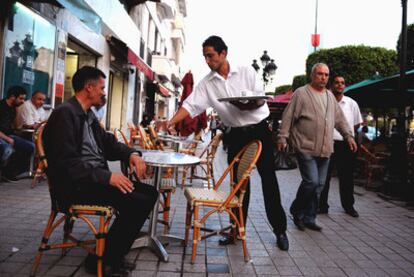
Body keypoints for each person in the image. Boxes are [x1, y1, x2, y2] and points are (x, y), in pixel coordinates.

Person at [167, 35, 289, 251]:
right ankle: (236, 230)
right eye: (205, 56)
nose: (207, 60)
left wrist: (246, 106)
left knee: (269, 181)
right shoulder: (207, 84)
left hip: (259, 130)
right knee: (239, 185)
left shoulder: (246, 71)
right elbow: (191, 105)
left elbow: (260, 99)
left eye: (210, 55)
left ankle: (280, 230)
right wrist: (170, 121)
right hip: (235, 135)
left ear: (223, 53)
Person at [43, 66, 158, 276]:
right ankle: (103, 259)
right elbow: (67, 163)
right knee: (136, 201)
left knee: (150, 193)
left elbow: (110, 143)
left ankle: (110, 252)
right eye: (102, 88)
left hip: (92, 181)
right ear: (89, 88)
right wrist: (108, 177)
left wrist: (132, 154)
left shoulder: (87, 115)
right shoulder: (65, 114)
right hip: (73, 187)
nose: (104, 92)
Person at [277, 63, 357, 232]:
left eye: (326, 75)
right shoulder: (301, 93)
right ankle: (297, 210)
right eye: (320, 74)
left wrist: (348, 136)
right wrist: (282, 137)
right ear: (312, 75)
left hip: (326, 148)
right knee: (311, 181)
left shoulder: (329, 96)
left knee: (319, 185)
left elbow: (340, 120)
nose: (323, 78)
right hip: (305, 146)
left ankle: (309, 217)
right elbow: (288, 116)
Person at [318, 75, 363, 217]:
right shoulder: (324, 101)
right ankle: (322, 206)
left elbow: (356, 124)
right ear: (331, 85)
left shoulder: (351, 103)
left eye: (342, 83)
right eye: (336, 82)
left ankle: (349, 206)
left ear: (345, 86)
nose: (339, 85)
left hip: (345, 144)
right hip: (328, 143)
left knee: (347, 177)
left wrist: (348, 137)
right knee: (324, 177)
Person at [0, 86, 35, 181]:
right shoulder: (1, 106)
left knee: (30, 147)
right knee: (7, 149)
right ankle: (3, 173)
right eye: (21, 98)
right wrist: (7, 139)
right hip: (2, 136)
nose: (23, 101)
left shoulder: (14, 108)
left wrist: (17, 111)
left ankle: (11, 172)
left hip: (9, 135)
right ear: (12, 97)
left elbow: (16, 127)